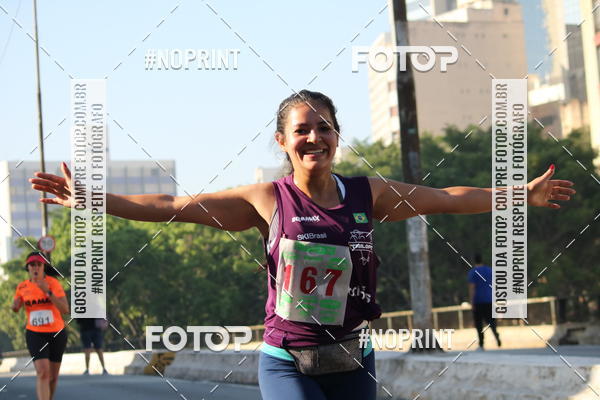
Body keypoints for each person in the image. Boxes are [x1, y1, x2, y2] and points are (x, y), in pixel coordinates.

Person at [29, 90, 576, 400]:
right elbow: (172, 205)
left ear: (337, 136)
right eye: (302, 130)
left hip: (352, 358)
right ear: (283, 141)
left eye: (324, 128)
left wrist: (519, 195)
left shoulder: (368, 194)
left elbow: (446, 198)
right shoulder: (266, 200)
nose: (314, 137)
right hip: (286, 362)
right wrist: (93, 198)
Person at [11, 252, 69, 400]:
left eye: (39, 264)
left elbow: (65, 309)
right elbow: (15, 306)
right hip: (35, 333)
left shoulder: (53, 283)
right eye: (32, 265)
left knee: (53, 377)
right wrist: (15, 306)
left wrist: (47, 291)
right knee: (43, 372)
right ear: (28, 268)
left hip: (57, 333)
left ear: (44, 267)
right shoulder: (22, 287)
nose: (35, 267)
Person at [467, 253, 500, 350]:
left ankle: (481, 343)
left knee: (479, 323)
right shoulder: (490, 270)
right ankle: (496, 335)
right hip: (489, 300)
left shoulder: (473, 272)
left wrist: (471, 301)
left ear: (474, 261)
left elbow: (472, 287)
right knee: (491, 321)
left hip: (478, 301)